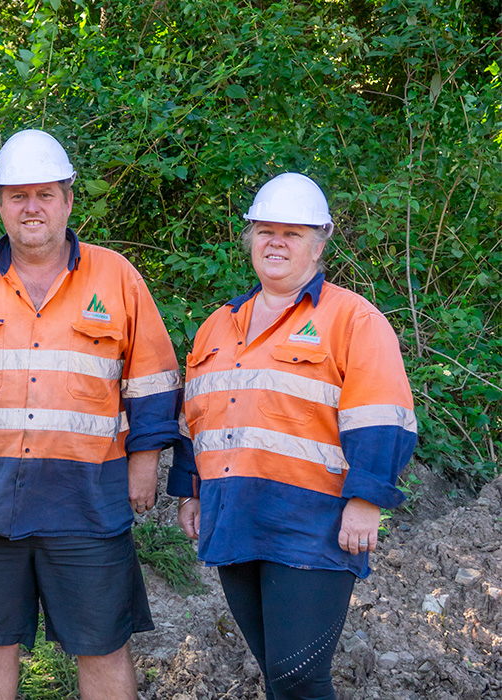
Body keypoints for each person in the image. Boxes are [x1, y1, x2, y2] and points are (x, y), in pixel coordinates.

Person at [0, 129, 182, 699]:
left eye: (44, 194)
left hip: (86, 497)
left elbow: (154, 381)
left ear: (68, 199)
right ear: (0, 205)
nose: (31, 207)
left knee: (103, 641)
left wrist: (145, 464)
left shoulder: (117, 278)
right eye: (18, 196)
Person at [167, 172, 417, 699]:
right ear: (250, 238)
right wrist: (190, 490)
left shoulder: (352, 320)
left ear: (319, 243)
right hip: (234, 515)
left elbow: (382, 417)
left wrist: (367, 501)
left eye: (293, 233)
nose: (276, 242)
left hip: (314, 523)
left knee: (300, 674)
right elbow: (196, 419)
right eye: (265, 231)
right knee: (279, 675)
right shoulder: (217, 326)